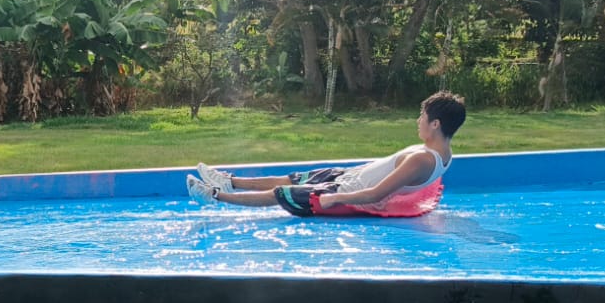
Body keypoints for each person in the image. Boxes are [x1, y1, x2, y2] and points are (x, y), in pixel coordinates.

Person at [186, 91, 465, 217]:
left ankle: (215, 196)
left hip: (343, 190)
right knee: (291, 178)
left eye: (422, 116)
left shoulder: (422, 160)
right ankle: (229, 181)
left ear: (436, 124)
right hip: (347, 176)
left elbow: (376, 194)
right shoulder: (443, 153)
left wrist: (334, 198)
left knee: (280, 193)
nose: (418, 121)